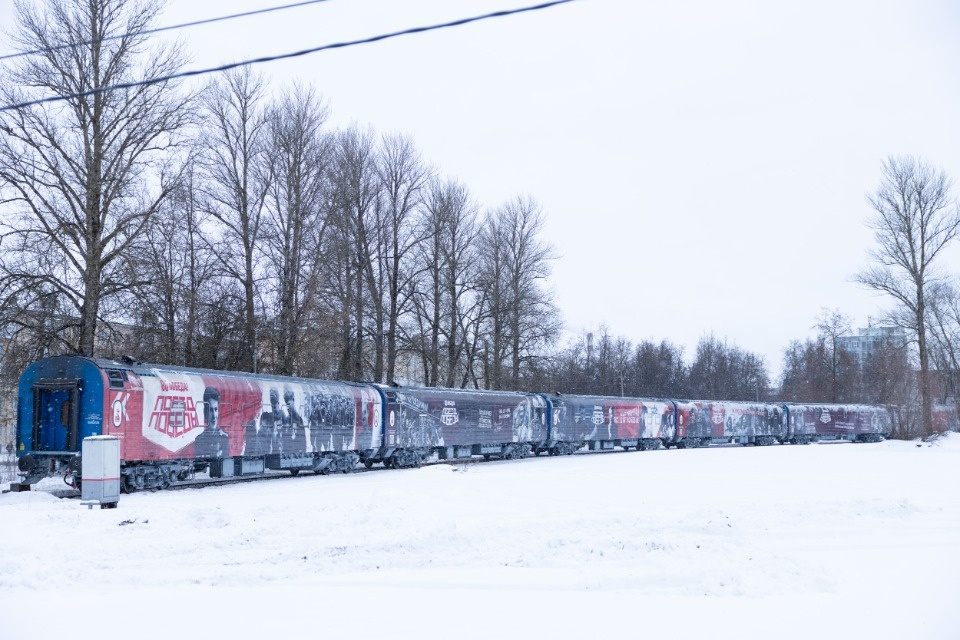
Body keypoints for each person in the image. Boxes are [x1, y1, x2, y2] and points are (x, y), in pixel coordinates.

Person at [194, 386, 229, 458]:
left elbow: (226, 462)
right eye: (210, 410)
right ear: (205, 412)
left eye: (216, 409)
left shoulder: (224, 438)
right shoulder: (199, 440)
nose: (214, 416)